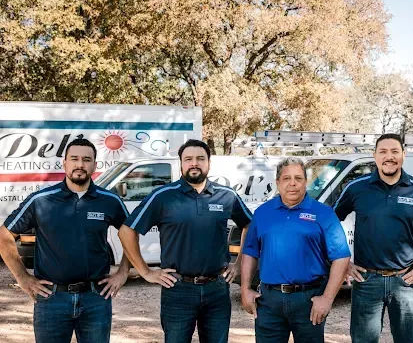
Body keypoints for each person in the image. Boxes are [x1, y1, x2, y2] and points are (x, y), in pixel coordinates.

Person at [118, 139, 252, 343]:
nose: (194, 163)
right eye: (188, 159)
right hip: (178, 289)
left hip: (217, 289)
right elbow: (127, 231)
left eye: (200, 158)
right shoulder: (163, 196)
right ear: (181, 163)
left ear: (209, 163)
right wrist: (145, 272)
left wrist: (240, 263)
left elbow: (249, 226)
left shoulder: (227, 195)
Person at [0, 138, 131, 343]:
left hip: (95, 298)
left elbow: (131, 233)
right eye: (74, 159)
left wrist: (123, 272)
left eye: (86, 160)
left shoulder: (109, 201)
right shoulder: (41, 200)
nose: (80, 164)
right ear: (65, 163)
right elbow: (4, 235)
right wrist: (23, 278)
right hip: (51, 299)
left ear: (95, 165)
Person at [333, 133, 413, 343]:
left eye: (395, 151)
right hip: (366, 280)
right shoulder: (356, 188)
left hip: (407, 280)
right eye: (383, 152)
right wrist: (343, 263)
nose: (389, 156)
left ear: (404, 155)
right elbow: (329, 225)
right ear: (375, 156)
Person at [240, 157, 350, 342]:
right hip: (269, 301)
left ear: (306, 182)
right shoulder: (262, 212)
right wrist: (244, 289)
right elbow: (250, 252)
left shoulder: (323, 214)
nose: (293, 183)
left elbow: (341, 256)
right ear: (277, 182)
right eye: (286, 178)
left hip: (308, 301)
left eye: (298, 178)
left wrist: (327, 298)